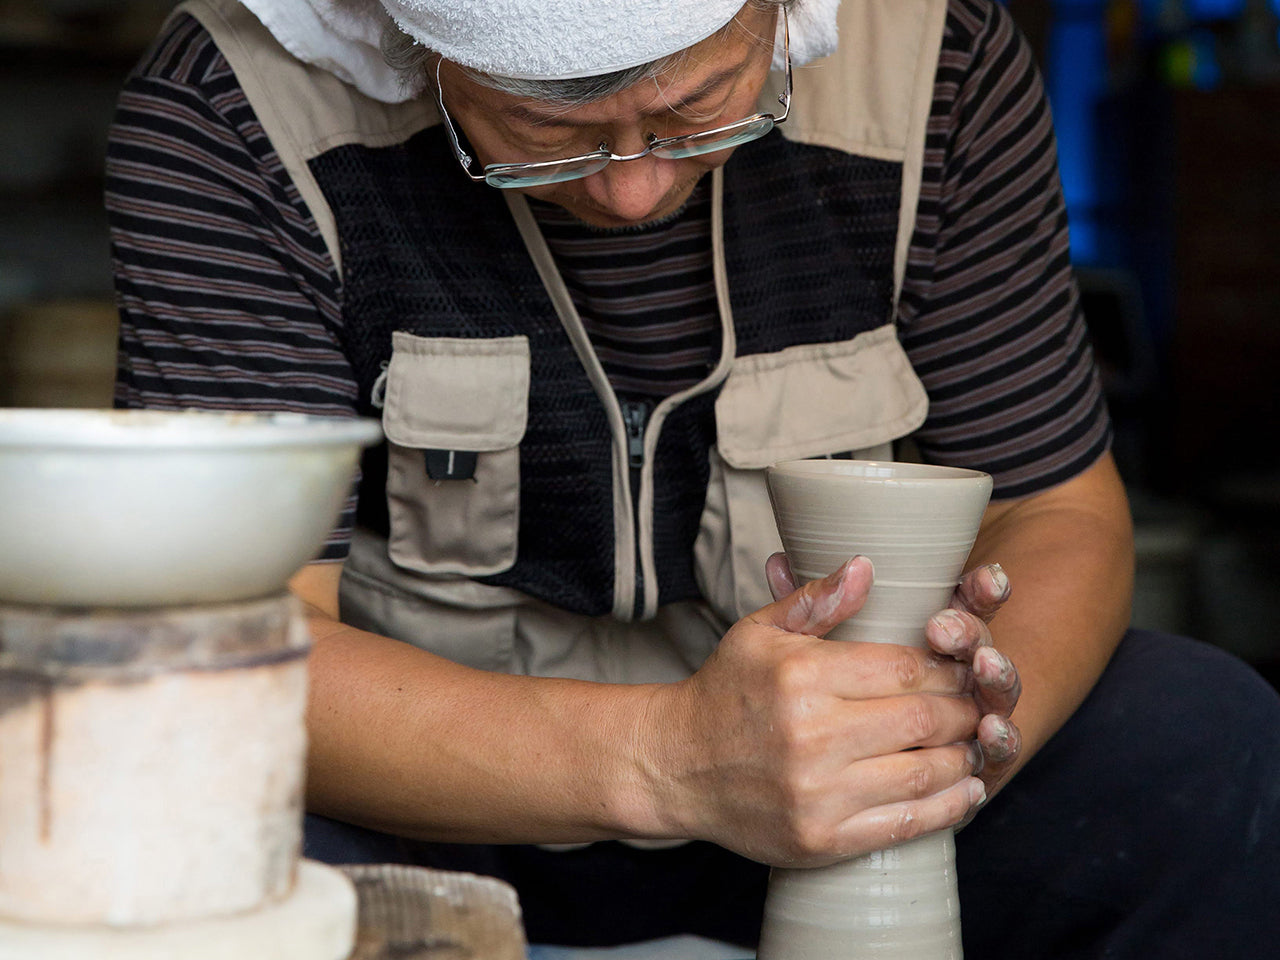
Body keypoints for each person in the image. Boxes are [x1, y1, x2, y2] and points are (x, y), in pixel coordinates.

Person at [106, 0, 1280, 954]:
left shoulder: (935, 57)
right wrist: (669, 760)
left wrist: (927, 738)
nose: (632, 188)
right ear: (420, 50)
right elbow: (237, 652)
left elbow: (1056, 508)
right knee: (150, 814)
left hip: (837, 782)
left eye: (696, 105)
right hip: (440, 796)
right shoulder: (231, 106)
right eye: (541, 128)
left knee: (1202, 741)